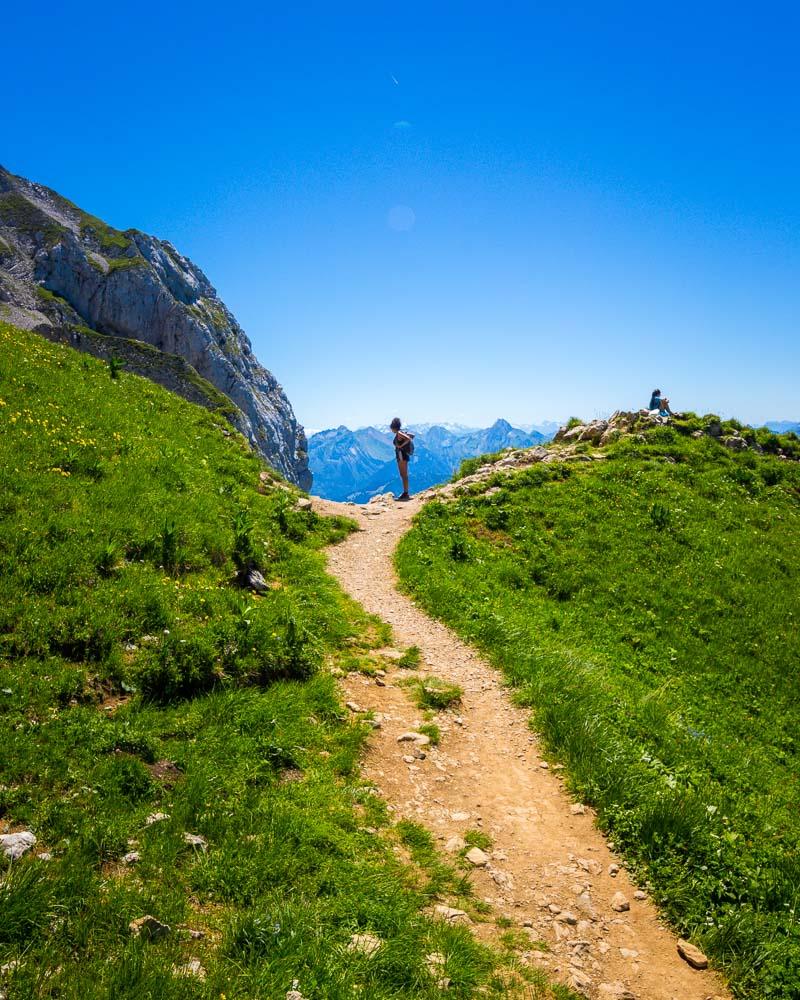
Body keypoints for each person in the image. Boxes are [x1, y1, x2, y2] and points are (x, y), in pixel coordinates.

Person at [390, 417, 414, 500]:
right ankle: (406, 492)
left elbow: (408, 438)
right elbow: (412, 435)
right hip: (403, 455)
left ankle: (405, 493)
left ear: (393, 427)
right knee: (404, 475)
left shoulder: (399, 433)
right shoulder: (402, 432)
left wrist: (401, 446)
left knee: (403, 474)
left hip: (401, 455)